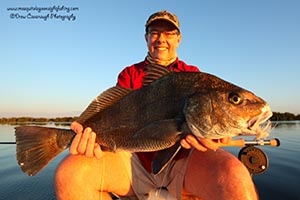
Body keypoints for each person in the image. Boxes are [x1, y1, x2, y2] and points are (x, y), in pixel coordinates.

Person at [55, 10, 258, 200]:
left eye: (169, 33)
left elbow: (204, 125)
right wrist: (88, 137)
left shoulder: (193, 76)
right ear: (146, 38)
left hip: (183, 163)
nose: (161, 39)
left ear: (178, 39)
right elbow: (116, 117)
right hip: (132, 161)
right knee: (69, 173)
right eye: (154, 33)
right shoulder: (130, 74)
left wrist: (217, 135)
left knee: (235, 175)